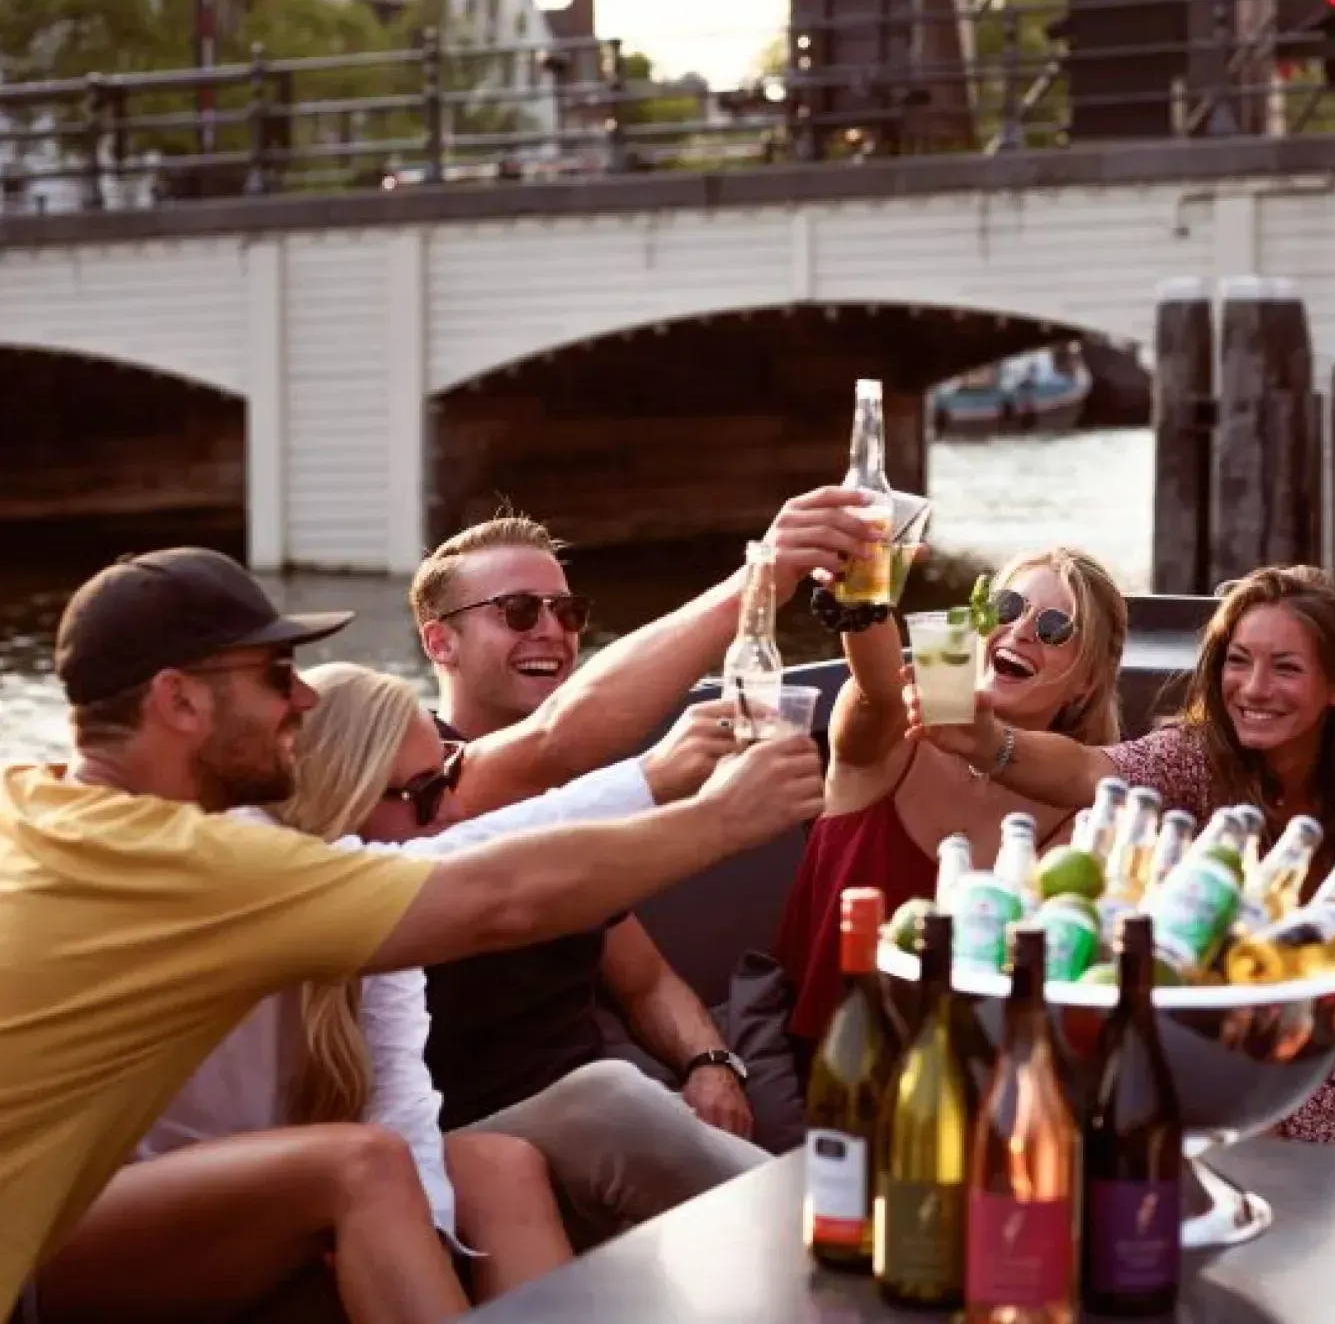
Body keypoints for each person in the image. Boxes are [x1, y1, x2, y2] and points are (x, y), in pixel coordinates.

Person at [0, 547, 826, 1320]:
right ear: (178, 700)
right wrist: (716, 819)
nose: (306, 698)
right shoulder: (187, 864)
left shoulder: (53, 810)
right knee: (357, 1163)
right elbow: (490, 893)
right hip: (37, 1255)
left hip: (127, 1202)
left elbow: (458, 854)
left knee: (484, 1162)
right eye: (276, 675)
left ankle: (826, 1242)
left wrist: (661, 783)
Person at [912, 565, 1335, 1142]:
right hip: (1183, 1066)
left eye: (1287, 668)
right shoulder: (1192, 760)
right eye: (1238, 661)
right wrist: (989, 742)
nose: (1254, 688)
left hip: (1319, 1083)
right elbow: (1084, 770)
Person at [405, 507, 870, 1239]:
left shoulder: (580, 797)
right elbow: (556, 740)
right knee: (611, 1099)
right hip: (490, 1120)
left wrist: (711, 1060)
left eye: (567, 610)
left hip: (605, 1093)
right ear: (441, 641)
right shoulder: (412, 784)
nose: (552, 631)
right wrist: (759, 581)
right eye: (519, 610)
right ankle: (840, 1244)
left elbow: (643, 975)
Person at [775, 545, 1130, 1048]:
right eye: (1006, 608)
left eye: (1052, 628)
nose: (1020, 630)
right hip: (804, 1055)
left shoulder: (1080, 814)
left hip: (957, 1072)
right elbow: (878, 685)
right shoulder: (898, 732)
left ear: (1086, 682)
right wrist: (864, 590)